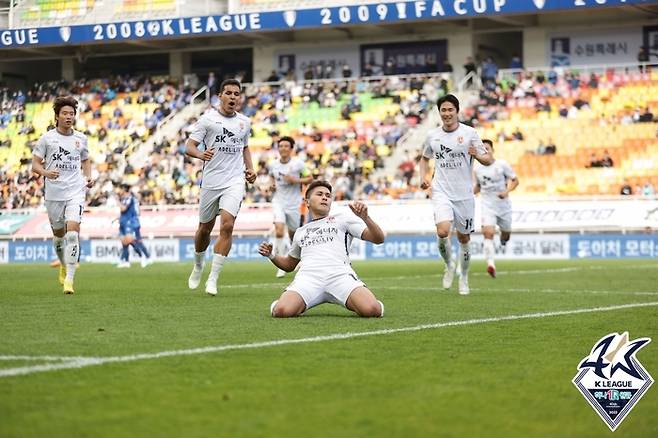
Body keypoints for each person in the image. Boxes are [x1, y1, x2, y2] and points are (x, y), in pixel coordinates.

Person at [258, 180, 385, 318]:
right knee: (281, 311)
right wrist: (271, 255)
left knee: (372, 310)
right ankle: (286, 301)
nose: (325, 197)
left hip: (340, 276)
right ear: (307, 202)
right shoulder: (301, 232)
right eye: (319, 194)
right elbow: (289, 265)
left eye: (328, 195)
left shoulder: (343, 219)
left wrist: (366, 218)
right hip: (308, 278)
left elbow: (378, 239)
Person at [185, 79, 257, 296]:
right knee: (204, 229)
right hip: (210, 182)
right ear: (220, 96)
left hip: (234, 181)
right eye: (229, 93)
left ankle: (213, 278)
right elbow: (189, 146)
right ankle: (198, 265)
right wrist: (200, 154)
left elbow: (245, 148)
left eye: (237, 93)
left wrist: (250, 169)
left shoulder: (245, 122)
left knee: (227, 226)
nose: (233, 97)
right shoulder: (207, 120)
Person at [419, 94, 492, 295]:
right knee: (442, 231)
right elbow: (424, 158)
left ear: (457, 111)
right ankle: (449, 265)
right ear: (439, 112)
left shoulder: (469, 133)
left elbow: (487, 160)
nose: (447, 113)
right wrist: (422, 177)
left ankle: (465, 278)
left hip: (465, 195)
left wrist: (476, 154)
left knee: (464, 238)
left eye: (451, 109)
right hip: (441, 190)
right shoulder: (433, 136)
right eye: (444, 110)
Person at [31, 96, 94, 294]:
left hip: (76, 191)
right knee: (59, 238)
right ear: (57, 117)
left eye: (72, 113)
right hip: (53, 193)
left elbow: (85, 160)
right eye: (65, 113)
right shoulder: (47, 138)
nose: (69, 117)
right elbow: (35, 164)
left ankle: (70, 280)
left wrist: (89, 176)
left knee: (73, 234)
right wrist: (46, 173)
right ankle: (63, 264)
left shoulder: (81, 139)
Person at [267, 136, 312, 278]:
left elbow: (310, 178)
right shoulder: (273, 165)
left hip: (294, 204)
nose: (283, 149)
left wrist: (295, 180)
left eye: (286, 146)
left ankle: (299, 260)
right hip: (278, 201)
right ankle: (280, 263)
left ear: (291, 149)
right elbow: (271, 178)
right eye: (281, 146)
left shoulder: (298, 164)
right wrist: (272, 185)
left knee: (294, 236)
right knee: (279, 231)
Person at [474, 139, 519, 278]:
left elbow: (515, 180)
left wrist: (506, 191)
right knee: (487, 232)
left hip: (503, 205)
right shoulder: (477, 170)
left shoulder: (502, 165)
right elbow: (478, 187)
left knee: (506, 234)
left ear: (493, 150)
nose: (485, 151)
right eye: (482, 149)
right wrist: (470, 194)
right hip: (487, 204)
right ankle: (491, 264)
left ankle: (504, 240)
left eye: (487, 148)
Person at [116, 183, 152, 268]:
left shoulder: (129, 198)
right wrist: (118, 218)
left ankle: (143, 256)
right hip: (123, 222)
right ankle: (125, 261)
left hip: (129, 222)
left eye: (120, 189)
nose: (119, 191)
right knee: (124, 242)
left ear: (124, 189)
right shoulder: (124, 199)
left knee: (131, 240)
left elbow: (124, 208)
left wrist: (117, 202)